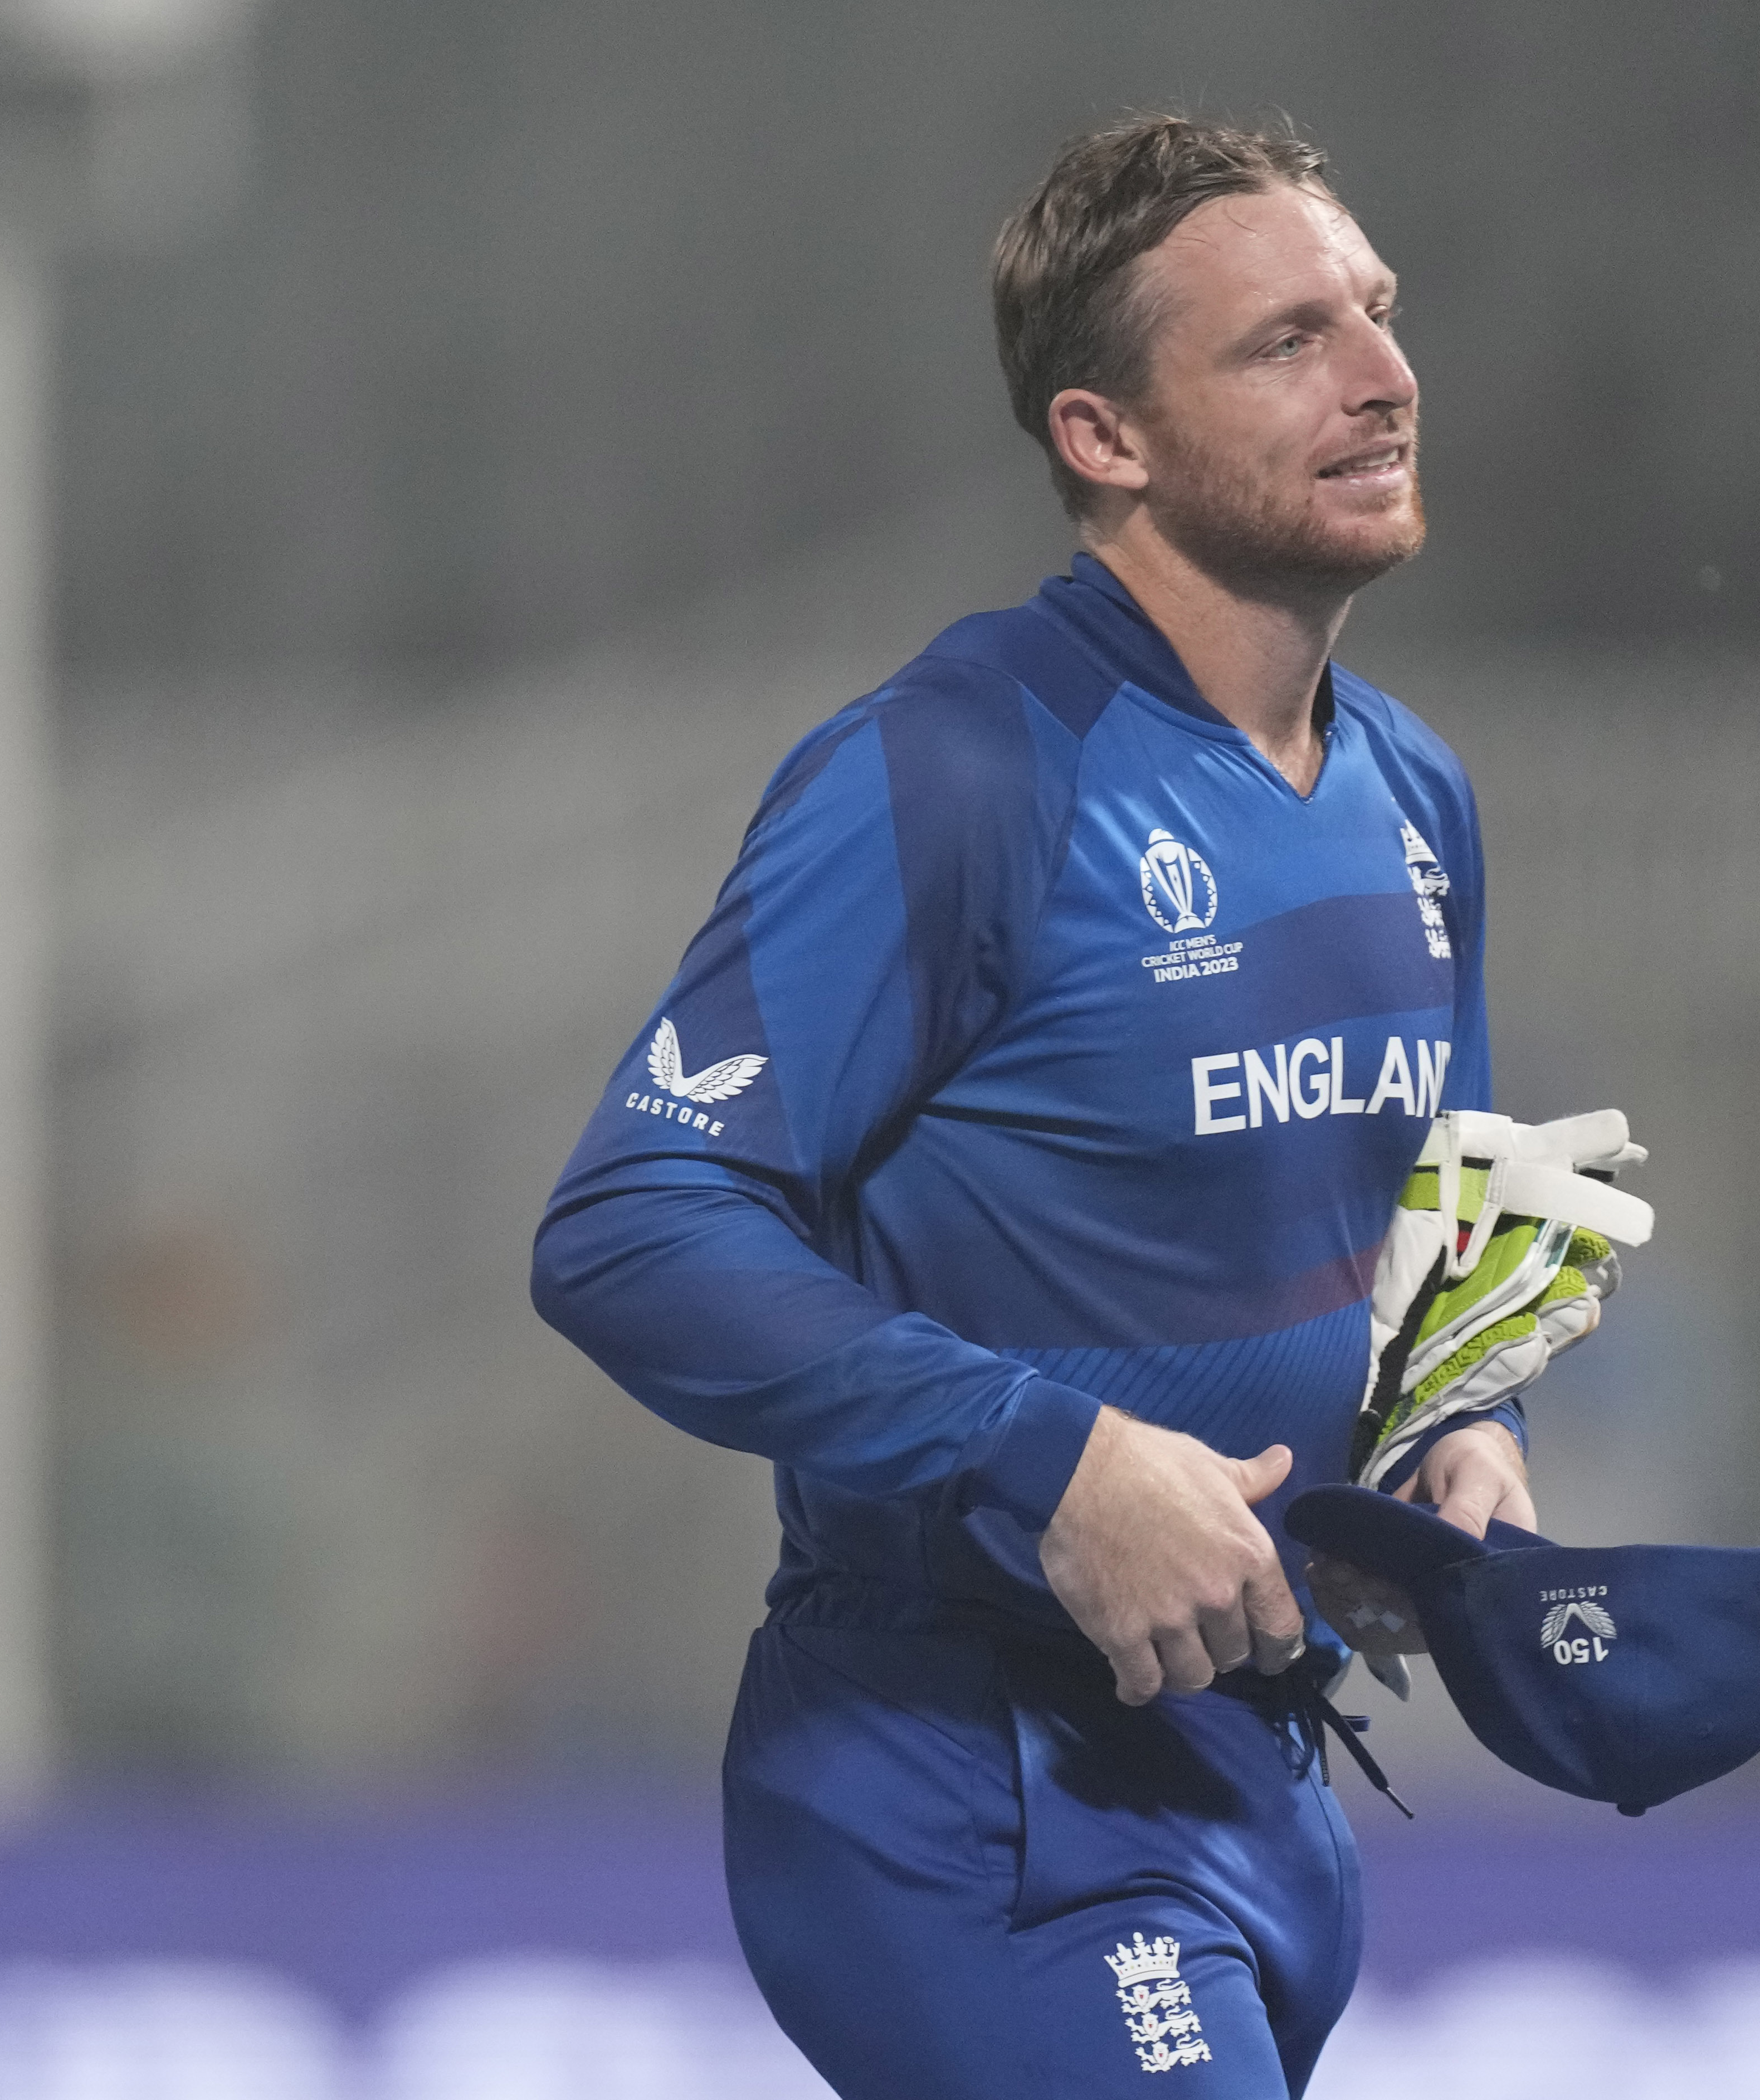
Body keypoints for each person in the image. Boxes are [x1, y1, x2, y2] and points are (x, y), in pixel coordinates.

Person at [531, 114, 1546, 2096]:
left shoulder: (1414, 789)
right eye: (1287, 341)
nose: (1381, 373)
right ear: (1106, 435)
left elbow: (1443, 1196)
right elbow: (633, 1223)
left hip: (1259, 1775)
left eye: (1377, 310)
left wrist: (1462, 1427)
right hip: (971, 1785)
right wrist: (1055, 1457)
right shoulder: (961, 771)